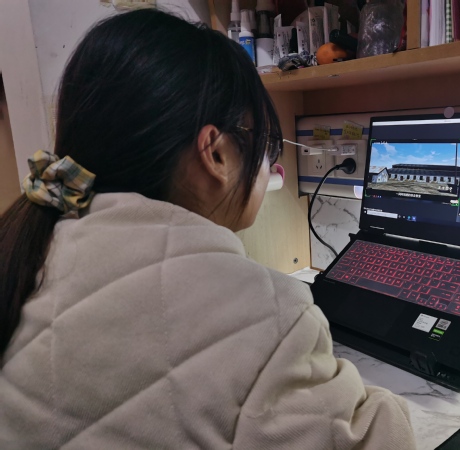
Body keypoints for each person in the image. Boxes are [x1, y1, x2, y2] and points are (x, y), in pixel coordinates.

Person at [0, 10, 415, 449]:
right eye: (267, 146)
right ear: (216, 154)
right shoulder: (268, 314)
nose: (271, 167)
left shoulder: (28, 246)